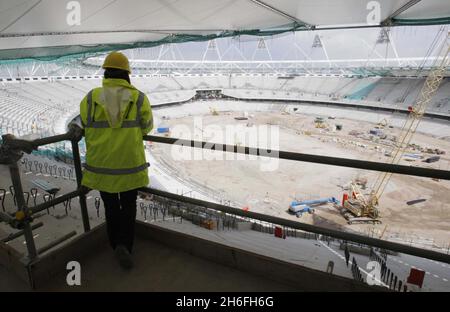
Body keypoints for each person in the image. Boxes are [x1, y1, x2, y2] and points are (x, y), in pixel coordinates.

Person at [79, 51, 153, 270]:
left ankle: (115, 245)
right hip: (129, 167)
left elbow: (83, 122)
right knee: (129, 206)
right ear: (126, 74)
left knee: (111, 206)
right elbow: (147, 126)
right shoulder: (139, 98)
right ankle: (125, 245)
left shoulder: (91, 98)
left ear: (106, 72)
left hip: (102, 168)